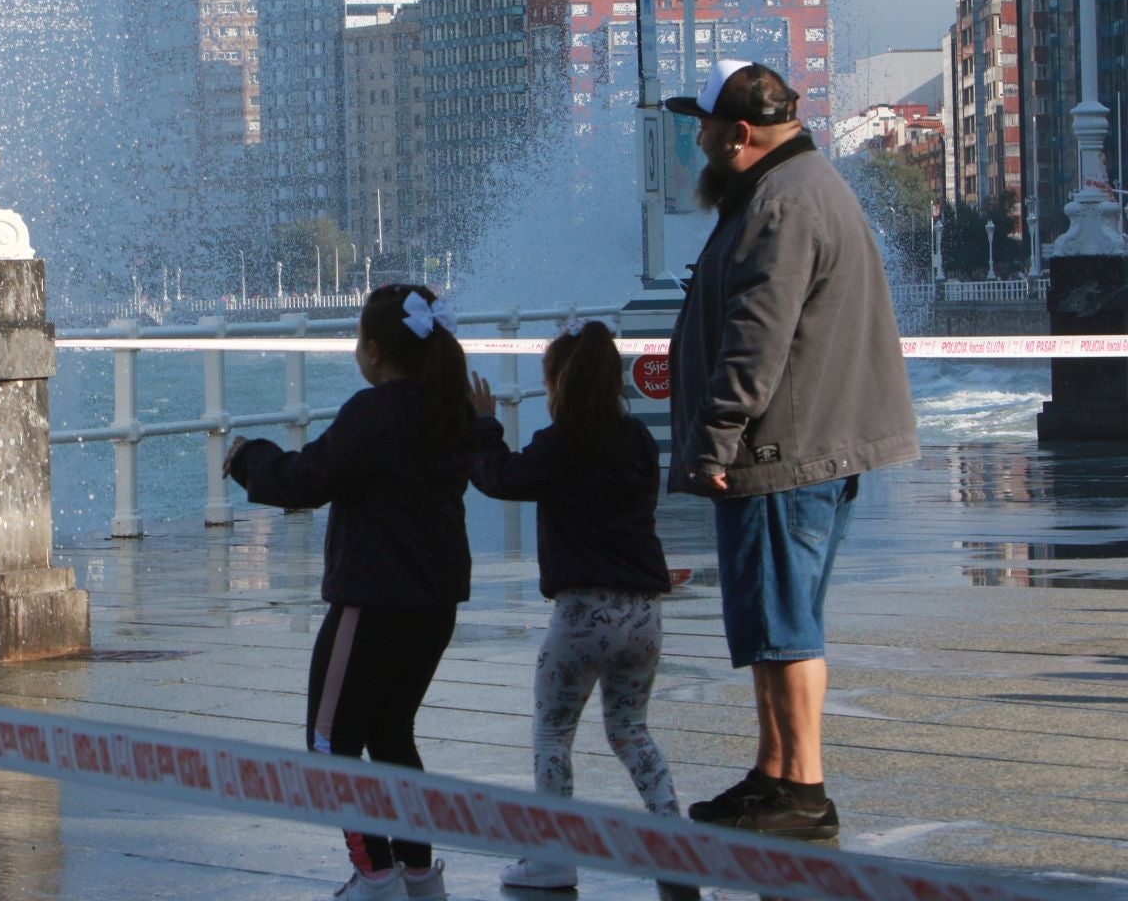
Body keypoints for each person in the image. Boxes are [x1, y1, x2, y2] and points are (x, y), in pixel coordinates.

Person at [665, 59, 918, 840]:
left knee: (785, 626)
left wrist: (716, 439)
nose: (697, 144)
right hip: (795, 446)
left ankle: (803, 788)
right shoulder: (796, 187)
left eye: (702, 130)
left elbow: (757, 340)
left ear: (739, 134)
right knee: (773, 621)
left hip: (782, 451)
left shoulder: (782, 202)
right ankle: (774, 773)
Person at [224, 283, 475, 901]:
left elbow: (308, 479)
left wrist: (248, 459)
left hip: (371, 604)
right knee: (393, 735)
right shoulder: (453, 409)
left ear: (374, 351)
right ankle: (419, 876)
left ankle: (375, 876)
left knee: (329, 743)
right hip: (434, 605)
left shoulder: (374, 411)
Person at [468, 321, 686, 893]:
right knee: (631, 731)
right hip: (643, 612)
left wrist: (482, 426)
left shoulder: (562, 442)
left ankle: (552, 857)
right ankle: (677, 845)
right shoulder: (638, 439)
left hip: (583, 615)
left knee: (553, 733)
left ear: (558, 382)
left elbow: (498, 478)